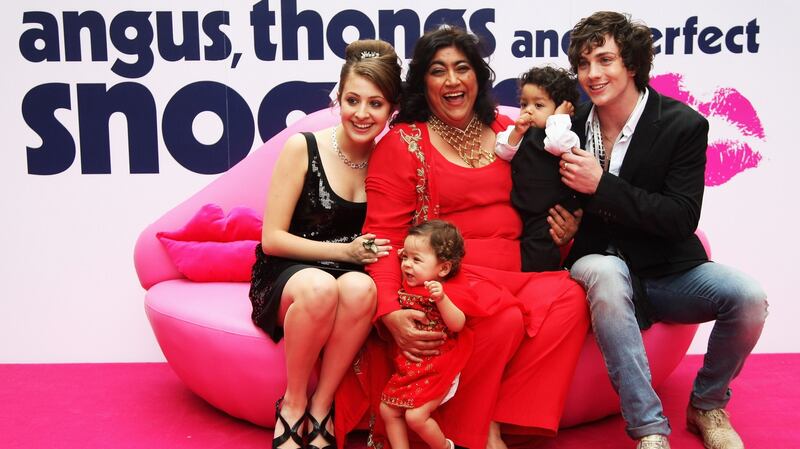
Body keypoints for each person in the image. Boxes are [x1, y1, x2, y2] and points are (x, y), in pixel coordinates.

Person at [336, 26, 590, 449]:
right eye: (438, 71)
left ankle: (499, 417)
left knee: (571, 298)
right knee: (502, 317)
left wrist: (567, 231)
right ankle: (483, 432)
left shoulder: (513, 129)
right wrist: (386, 311)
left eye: (462, 68)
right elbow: (382, 236)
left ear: (478, 77)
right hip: (456, 278)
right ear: (423, 83)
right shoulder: (403, 143)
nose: (452, 80)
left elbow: (546, 198)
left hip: (520, 270)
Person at [560, 11, 768, 449]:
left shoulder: (682, 125)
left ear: (631, 63)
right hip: (599, 266)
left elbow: (679, 217)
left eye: (604, 59)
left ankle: (708, 403)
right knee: (607, 273)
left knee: (748, 297)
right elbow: (551, 197)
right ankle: (650, 428)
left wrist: (603, 186)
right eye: (583, 63)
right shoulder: (570, 126)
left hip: (667, 269)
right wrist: (562, 223)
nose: (592, 74)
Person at [248, 39, 402, 449]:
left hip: (351, 275)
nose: (362, 114)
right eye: (353, 100)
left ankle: (322, 406)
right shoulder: (304, 147)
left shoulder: (392, 158)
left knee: (360, 287)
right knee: (320, 288)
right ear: (339, 96)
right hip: (289, 271)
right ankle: (294, 404)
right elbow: (272, 239)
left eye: (376, 104)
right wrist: (343, 252)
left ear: (392, 109)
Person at [380, 220, 482, 449]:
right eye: (405, 257)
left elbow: (457, 324)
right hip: (410, 364)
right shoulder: (411, 279)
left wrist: (442, 299)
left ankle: (446, 447)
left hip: (438, 362)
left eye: (416, 260)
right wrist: (409, 255)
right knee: (387, 409)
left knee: (416, 417)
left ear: (443, 269)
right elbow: (407, 259)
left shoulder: (442, 290)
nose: (406, 265)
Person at [494, 66, 583, 271]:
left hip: (549, 211)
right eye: (524, 104)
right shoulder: (518, 132)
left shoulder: (565, 134)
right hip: (521, 206)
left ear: (560, 109)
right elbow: (502, 151)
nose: (528, 110)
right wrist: (516, 132)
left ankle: (542, 278)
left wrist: (559, 119)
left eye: (539, 105)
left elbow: (556, 145)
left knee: (541, 252)